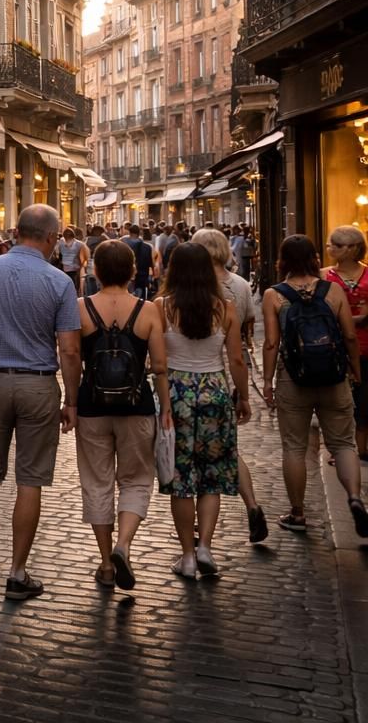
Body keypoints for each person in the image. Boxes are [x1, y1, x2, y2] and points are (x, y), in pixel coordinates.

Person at [0, 205, 81, 601]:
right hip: (38, 386)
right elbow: (70, 350)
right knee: (30, 480)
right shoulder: (60, 282)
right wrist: (72, 400)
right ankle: (17, 572)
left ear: (16, 232)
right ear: (48, 238)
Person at [76, 240, 172, 590]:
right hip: (137, 405)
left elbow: (72, 357)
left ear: (96, 270)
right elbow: (160, 366)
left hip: (92, 406)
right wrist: (166, 411)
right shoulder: (148, 310)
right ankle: (124, 545)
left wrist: (71, 402)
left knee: (96, 481)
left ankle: (105, 564)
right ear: (133, 271)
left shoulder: (81, 307)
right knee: (135, 478)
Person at [262, 234, 368, 536]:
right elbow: (349, 336)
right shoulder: (332, 290)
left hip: (293, 379)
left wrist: (268, 382)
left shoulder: (275, 295)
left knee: (294, 447)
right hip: (334, 377)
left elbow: (271, 343)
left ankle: (297, 513)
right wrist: (355, 372)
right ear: (315, 258)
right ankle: (355, 498)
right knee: (344, 443)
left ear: (282, 260)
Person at [157, 242, 249, 580]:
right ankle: (206, 546)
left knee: (180, 478)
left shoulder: (162, 307)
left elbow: (159, 364)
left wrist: (164, 404)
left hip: (178, 392)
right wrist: (243, 398)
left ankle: (187, 556)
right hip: (214, 390)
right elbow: (236, 360)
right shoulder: (224, 308)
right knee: (212, 475)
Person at [192, 228, 269, 543]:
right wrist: (245, 393)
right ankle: (252, 504)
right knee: (227, 449)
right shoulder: (239, 285)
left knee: (196, 456)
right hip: (227, 379)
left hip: (195, 376)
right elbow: (245, 337)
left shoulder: (187, 287)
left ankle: (201, 526)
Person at [324, 226, 368, 463]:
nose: (329, 248)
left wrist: (341, 317)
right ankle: (339, 449)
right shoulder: (324, 275)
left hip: (365, 346)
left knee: (363, 400)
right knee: (337, 402)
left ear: (351, 249)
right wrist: (356, 317)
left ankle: (361, 447)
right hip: (333, 348)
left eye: (334, 245)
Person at [123, 222, 156, 299]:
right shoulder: (147, 247)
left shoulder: (124, 245)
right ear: (139, 233)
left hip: (127, 276)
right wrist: (152, 276)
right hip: (143, 276)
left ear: (129, 232)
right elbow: (151, 263)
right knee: (142, 298)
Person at [54, 227, 89, 295]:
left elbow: (58, 254)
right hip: (71, 270)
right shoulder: (79, 244)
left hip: (73, 270)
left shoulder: (78, 244)